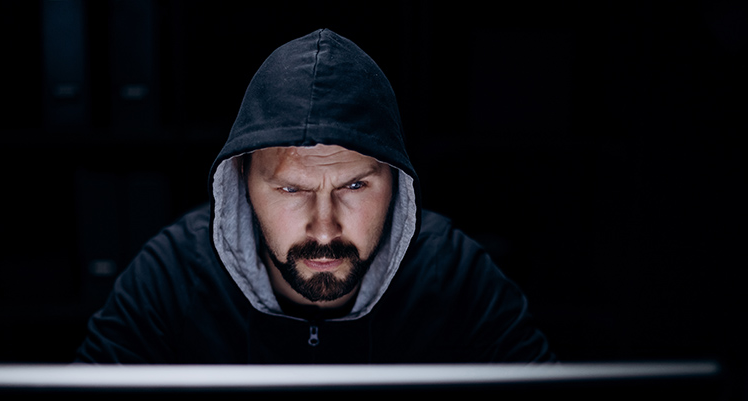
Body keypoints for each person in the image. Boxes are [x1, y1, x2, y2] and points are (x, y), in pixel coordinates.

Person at [76, 29, 554, 364]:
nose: (324, 228)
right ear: (241, 183)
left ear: (398, 184)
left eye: (354, 186)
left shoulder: (454, 271)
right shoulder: (171, 274)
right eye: (290, 189)